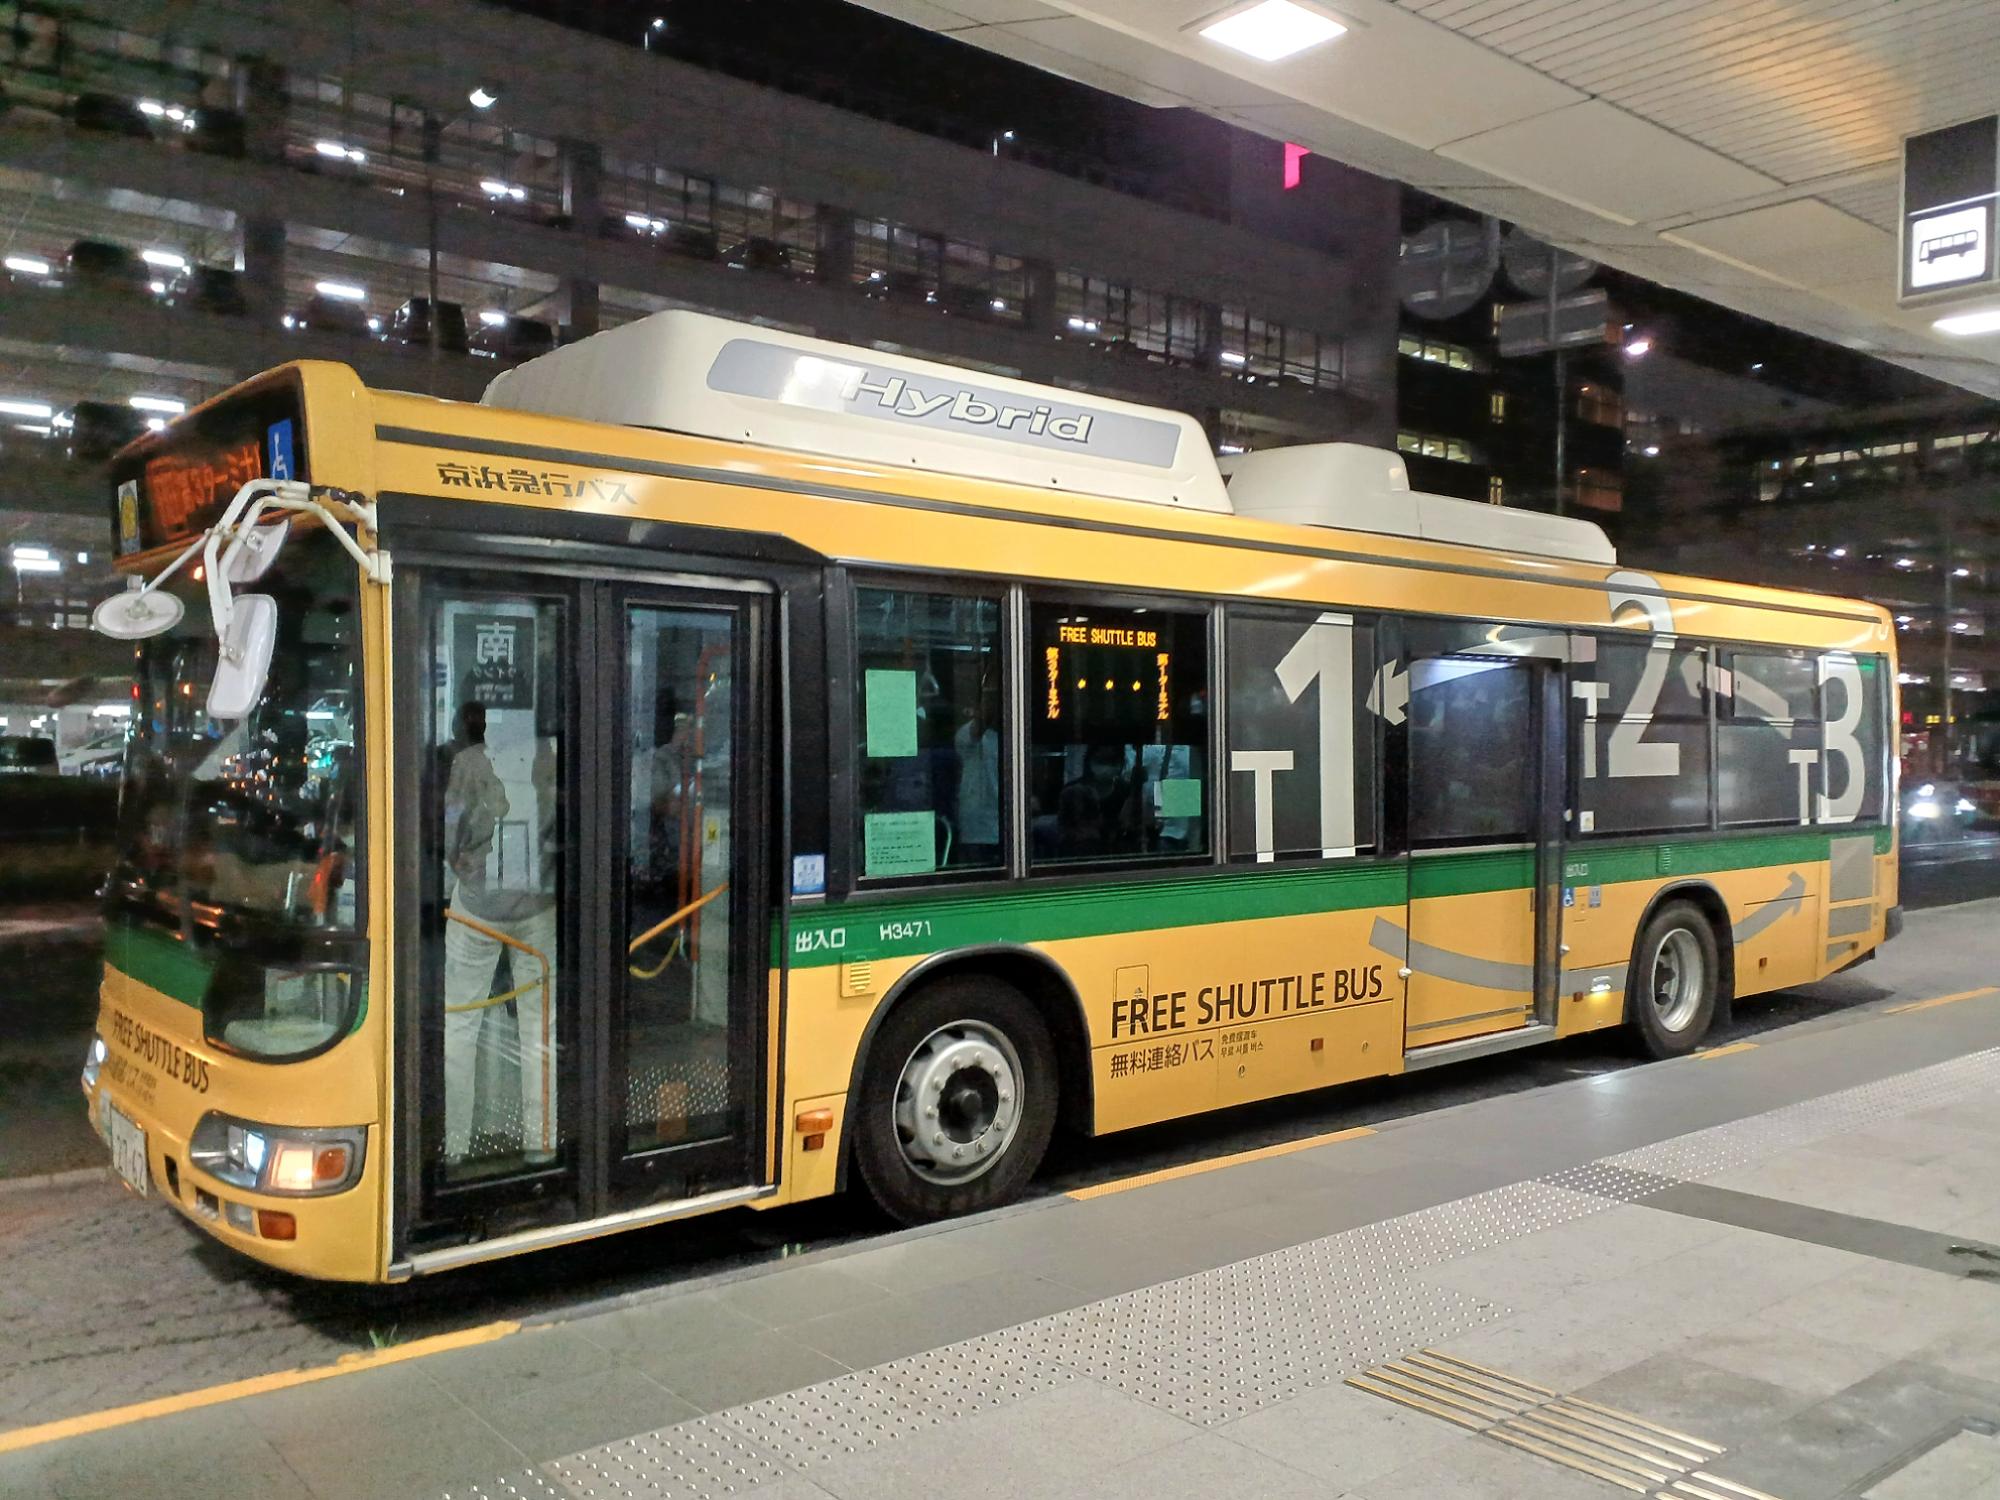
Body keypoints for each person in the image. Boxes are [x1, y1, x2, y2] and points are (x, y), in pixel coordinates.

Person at [440, 699, 560, 1166]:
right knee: (538, 1027)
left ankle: (455, 1144)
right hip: (536, 906)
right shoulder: (549, 755)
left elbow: (451, 834)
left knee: (461, 1021)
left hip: (478, 906)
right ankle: (540, 1144)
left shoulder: (468, 763)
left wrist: (466, 869)